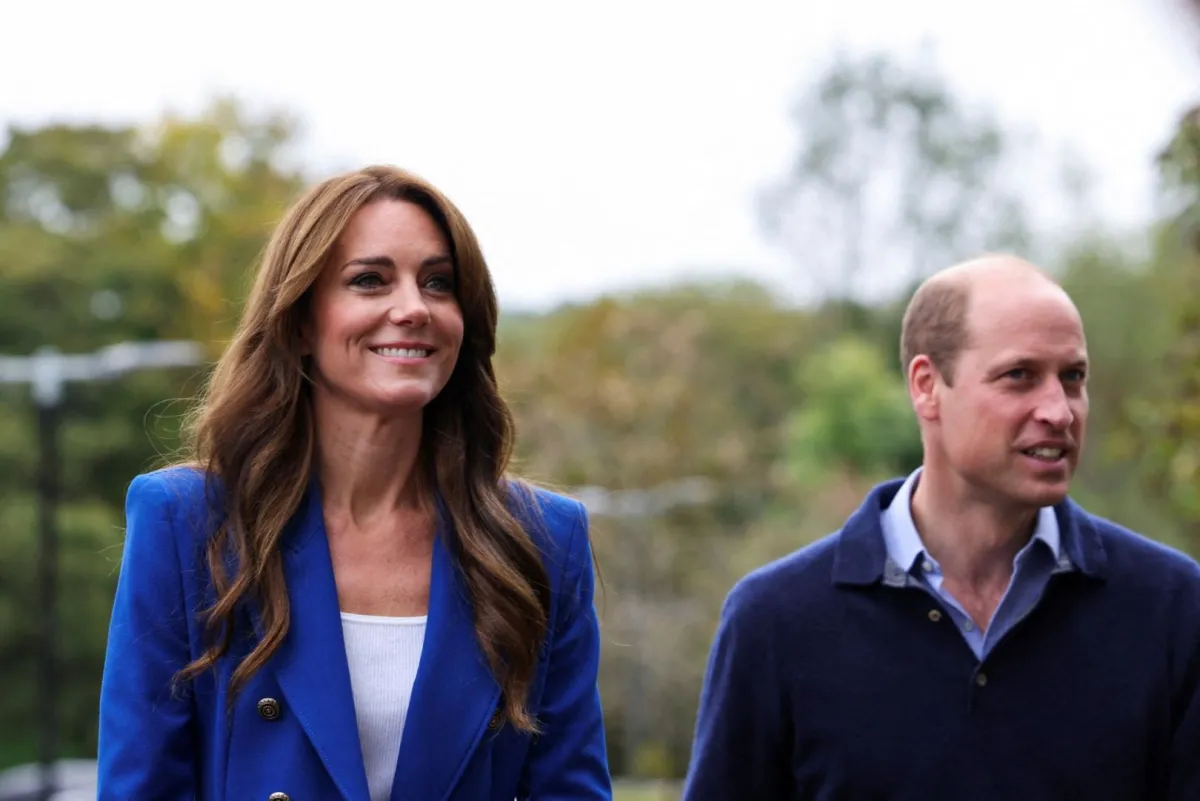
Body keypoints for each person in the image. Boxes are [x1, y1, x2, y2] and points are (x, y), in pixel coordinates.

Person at [97, 165, 611, 801]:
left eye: (439, 284)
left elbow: (569, 789)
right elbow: (140, 786)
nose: (412, 308)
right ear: (302, 321)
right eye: (370, 280)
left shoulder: (543, 541)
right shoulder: (187, 522)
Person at [681, 255, 1200, 800]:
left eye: (1072, 377)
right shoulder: (774, 622)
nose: (1059, 410)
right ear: (927, 386)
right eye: (1019, 376)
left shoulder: (1172, 607)